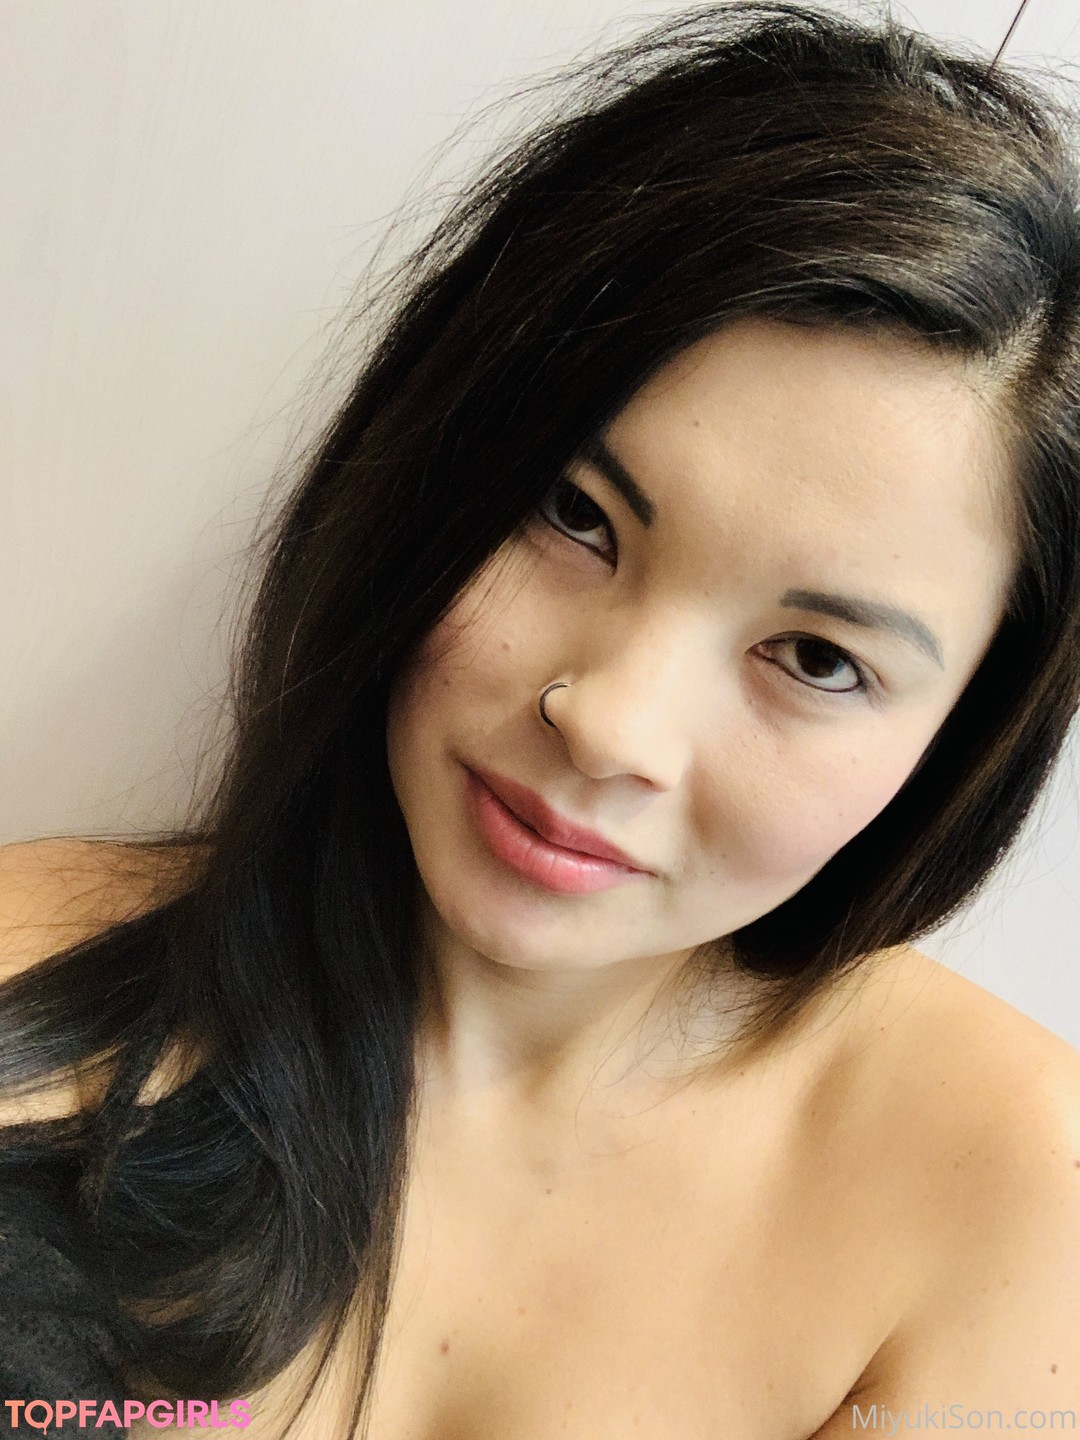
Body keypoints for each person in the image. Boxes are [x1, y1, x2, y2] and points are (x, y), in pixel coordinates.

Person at [2, 2, 1079, 1436]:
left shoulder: (1006, 1200)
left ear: (962, 738)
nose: (611, 724)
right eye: (576, 515)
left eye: (816, 658)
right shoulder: (27, 962)